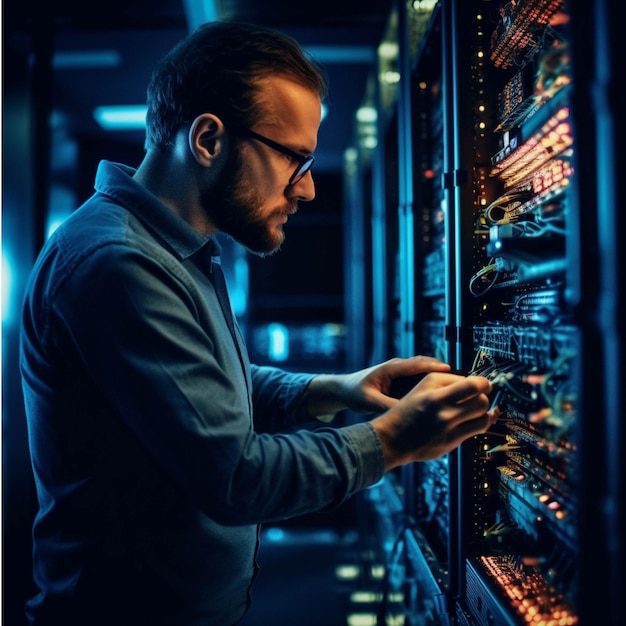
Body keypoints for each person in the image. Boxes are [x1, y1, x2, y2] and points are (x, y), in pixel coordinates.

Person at [19, 20, 498, 626]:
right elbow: (237, 478)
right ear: (209, 140)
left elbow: (213, 391)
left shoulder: (167, 248)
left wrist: (334, 390)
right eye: (295, 158)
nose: (309, 190)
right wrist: (394, 440)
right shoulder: (117, 263)